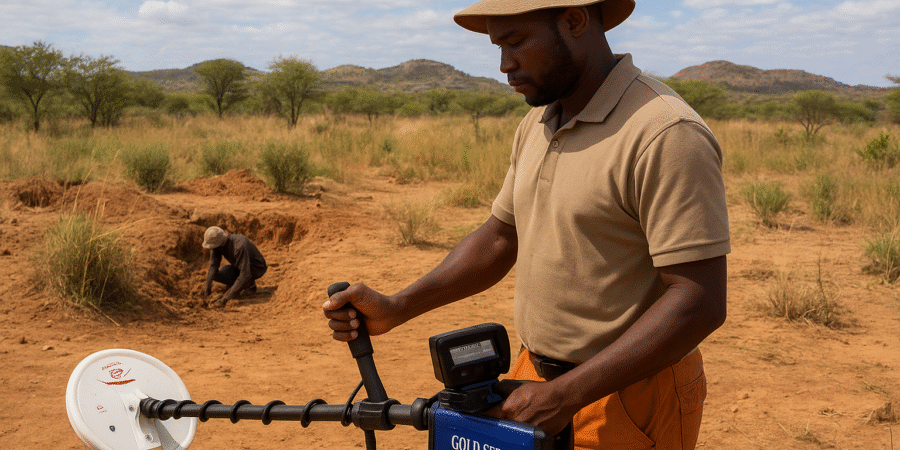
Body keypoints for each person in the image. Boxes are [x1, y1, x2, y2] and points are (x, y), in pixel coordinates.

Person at [323, 0, 730, 448]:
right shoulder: (538, 119)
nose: (504, 65)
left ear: (575, 21)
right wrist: (398, 307)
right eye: (498, 46)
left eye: (516, 42)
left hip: (628, 395)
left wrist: (566, 395)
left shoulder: (665, 133)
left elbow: (699, 300)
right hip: (529, 380)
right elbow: (500, 237)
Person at [201, 226, 267, 308]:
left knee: (244, 277)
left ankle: (250, 285)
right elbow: (213, 266)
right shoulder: (217, 246)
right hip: (239, 266)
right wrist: (206, 290)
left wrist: (223, 300)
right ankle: (237, 285)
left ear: (219, 243)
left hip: (256, 268)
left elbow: (245, 274)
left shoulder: (239, 246)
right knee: (215, 274)